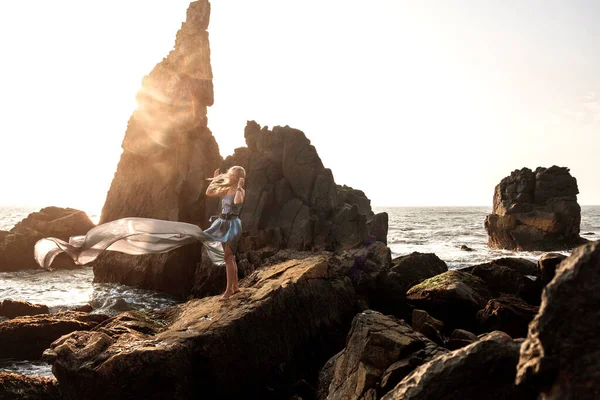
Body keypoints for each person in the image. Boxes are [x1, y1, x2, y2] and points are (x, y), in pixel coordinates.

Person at [34, 166, 247, 300]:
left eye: (232, 173)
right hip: (221, 223)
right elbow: (208, 193)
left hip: (230, 224)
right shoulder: (223, 189)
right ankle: (234, 287)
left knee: (228, 257)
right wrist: (216, 178)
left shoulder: (238, 191)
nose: (229, 175)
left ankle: (230, 290)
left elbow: (238, 203)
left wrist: (239, 186)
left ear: (237, 177)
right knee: (229, 256)